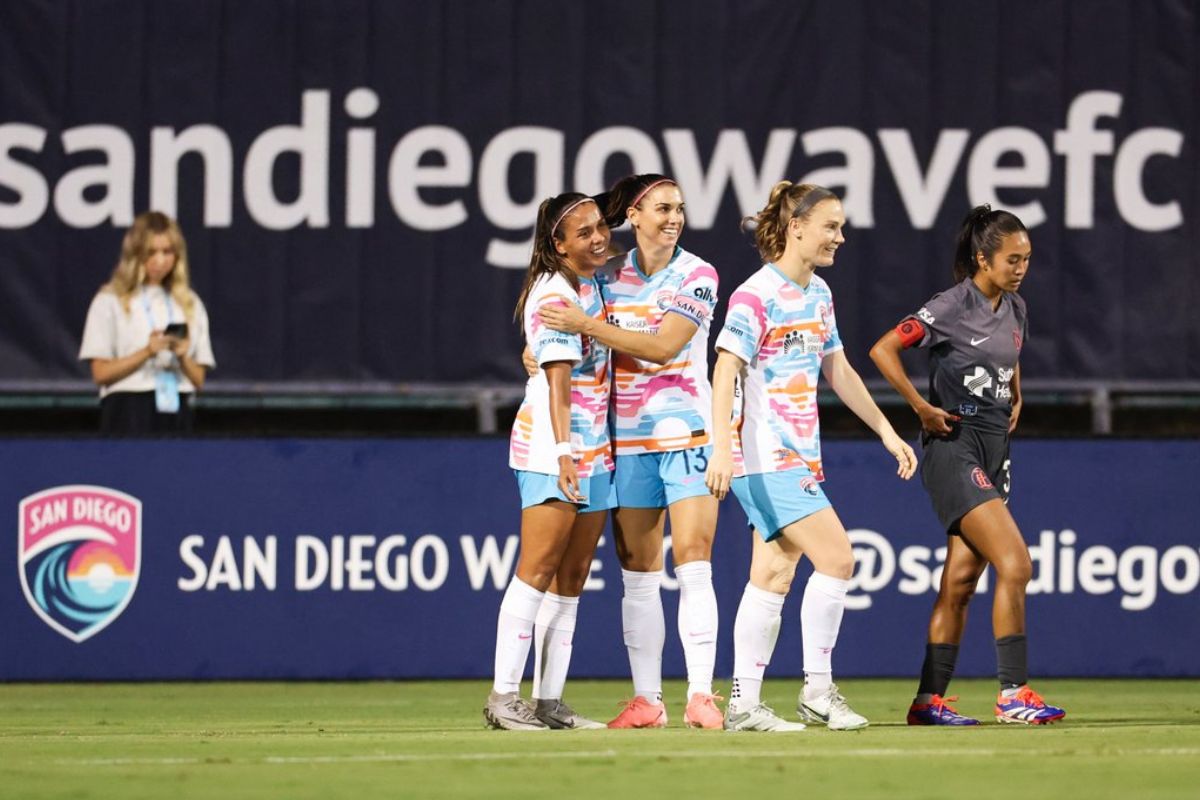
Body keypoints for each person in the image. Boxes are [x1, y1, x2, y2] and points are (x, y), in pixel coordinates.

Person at [705, 182, 917, 732]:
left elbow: (839, 371)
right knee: (839, 559)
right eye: (831, 226)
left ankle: (744, 704)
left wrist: (887, 431)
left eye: (841, 227)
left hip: (797, 456)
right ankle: (818, 692)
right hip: (766, 455)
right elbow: (725, 369)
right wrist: (721, 450)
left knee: (773, 575)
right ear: (796, 226)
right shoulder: (755, 294)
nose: (840, 238)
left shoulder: (818, 295)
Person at [538, 174, 724, 729]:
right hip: (628, 442)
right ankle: (648, 700)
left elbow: (665, 348)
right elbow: (567, 336)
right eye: (663, 208)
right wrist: (542, 351)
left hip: (688, 436)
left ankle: (700, 696)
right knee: (638, 574)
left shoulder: (698, 274)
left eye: (680, 209)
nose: (674, 218)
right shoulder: (606, 278)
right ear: (635, 217)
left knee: (693, 561)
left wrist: (585, 323)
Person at [868, 205, 1066, 726]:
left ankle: (927, 702)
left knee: (958, 581)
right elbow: (884, 349)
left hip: (995, 445)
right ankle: (1013, 693)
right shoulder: (950, 305)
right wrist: (921, 407)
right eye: (1012, 259)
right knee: (1017, 563)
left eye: (1027, 259)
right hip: (954, 443)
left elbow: (1012, 355)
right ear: (982, 258)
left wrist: (1015, 396)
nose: (1022, 267)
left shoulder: (1016, 306)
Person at [484, 192, 616, 731]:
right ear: (557, 245)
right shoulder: (554, 293)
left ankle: (549, 701)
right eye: (583, 233)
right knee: (536, 571)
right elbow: (558, 383)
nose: (598, 237)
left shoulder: (591, 287)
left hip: (595, 448)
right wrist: (564, 453)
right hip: (554, 447)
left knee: (572, 577)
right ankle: (502, 697)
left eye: (600, 227)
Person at [79, 211, 215, 434]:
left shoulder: (189, 303)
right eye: (151, 252)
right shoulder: (110, 300)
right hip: (128, 405)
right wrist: (146, 352)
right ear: (135, 253)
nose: (160, 261)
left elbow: (199, 380)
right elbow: (100, 373)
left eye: (167, 252)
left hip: (176, 403)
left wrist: (182, 356)